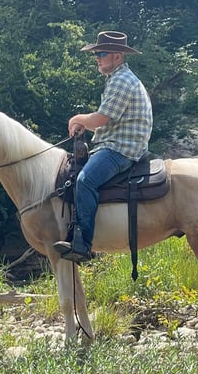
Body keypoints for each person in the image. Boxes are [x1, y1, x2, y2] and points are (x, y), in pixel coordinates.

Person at [54, 31, 153, 263]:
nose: (97, 57)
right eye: (97, 53)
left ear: (117, 57)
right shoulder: (118, 78)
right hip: (117, 143)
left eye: (102, 53)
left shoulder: (121, 81)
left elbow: (101, 119)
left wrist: (77, 119)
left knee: (85, 180)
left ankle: (82, 243)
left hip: (121, 148)